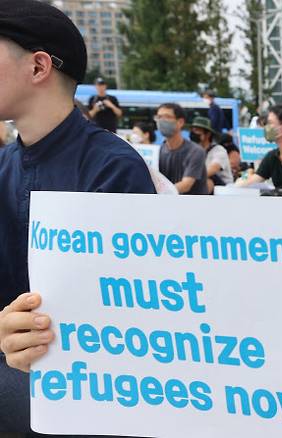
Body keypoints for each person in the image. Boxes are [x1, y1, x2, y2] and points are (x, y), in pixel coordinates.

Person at [0, 0, 155, 434]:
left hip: (84, 380)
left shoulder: (112, 166)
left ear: (38, 67)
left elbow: (122, 309)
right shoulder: (3, 165)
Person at [156, 103, 208, 195]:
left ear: (180, 122)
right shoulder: (159, 151)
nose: (161, 121)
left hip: (193, 206)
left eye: (167, 117)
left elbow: (186, 185)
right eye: (159, 117)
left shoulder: (195, 151)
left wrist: (160, 192)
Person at [190, 116, 233, 191]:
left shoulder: (218, 150)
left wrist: (190, 178)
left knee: (207, 180)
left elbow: (214, 168)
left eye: (197, 131)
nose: (194, 134)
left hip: (223, 189)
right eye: (193, 131)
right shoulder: (192, 151)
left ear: (207, 134)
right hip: (198, 181)